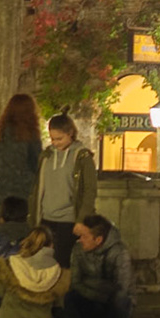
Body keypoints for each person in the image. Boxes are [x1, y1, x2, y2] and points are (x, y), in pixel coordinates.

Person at [63, 212, 134, 318]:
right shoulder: (78, 250)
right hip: (95, 297)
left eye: (85, 236)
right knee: (71, 297)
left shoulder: (120, 253)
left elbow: (122, 287)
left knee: (120, 299)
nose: (80, 239)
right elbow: (76, 282)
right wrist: (101, 293)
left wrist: (90, 283)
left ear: (98, 239)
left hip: (112, 304)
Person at [33, 114, 97, 268]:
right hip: (46, 218)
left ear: (70, 133)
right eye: (52, 139)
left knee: (63, 265)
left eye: (59, 139)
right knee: (43, 264)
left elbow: (90, 190)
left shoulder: (82, 157)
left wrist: (81, 220)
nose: (55, 143)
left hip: (68, 220)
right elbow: (37, 189)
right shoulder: (46, 156)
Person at [0, 94, 43, 226]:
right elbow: (36, 163)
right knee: (22, 227)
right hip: (24, 188)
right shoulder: (30, 134)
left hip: (1, 187)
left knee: (1, 227)